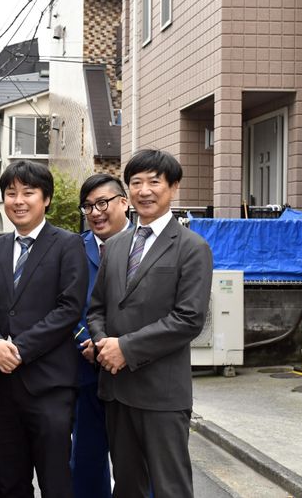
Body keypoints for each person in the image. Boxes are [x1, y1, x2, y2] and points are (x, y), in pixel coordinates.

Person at [87, 149, 213, 498]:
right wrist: (103, 345)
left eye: (154, 182)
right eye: (136, 182)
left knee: (171, 487)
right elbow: (97, 309)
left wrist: (125, 349)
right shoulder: (115, 246)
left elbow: (189, 318)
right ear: (127, 191)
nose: (144, 191)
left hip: (162, 393)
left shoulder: (192, 247)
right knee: (127, 486)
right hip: (116, 388)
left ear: (173, 187)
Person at [0, 160, 88, 498]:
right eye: (11, 193)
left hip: (50, 385)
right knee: (9, 482)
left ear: (46, 198)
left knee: (55, 482)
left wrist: (20, 349)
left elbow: (69, 308)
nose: (18, 201)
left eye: (28, 192)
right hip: (1, 386)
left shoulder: (68, 244)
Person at [72, 173, 131, 498]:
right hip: (85, 369)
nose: (95, 212)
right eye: (88, 206)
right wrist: (90, 342)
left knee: (137, 464)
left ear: (124, 202)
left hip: (136, 371)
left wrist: (123, 347)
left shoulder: (145, 246)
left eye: (103, 203)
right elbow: (62, 304)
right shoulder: (72, 249)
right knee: (86, 460)